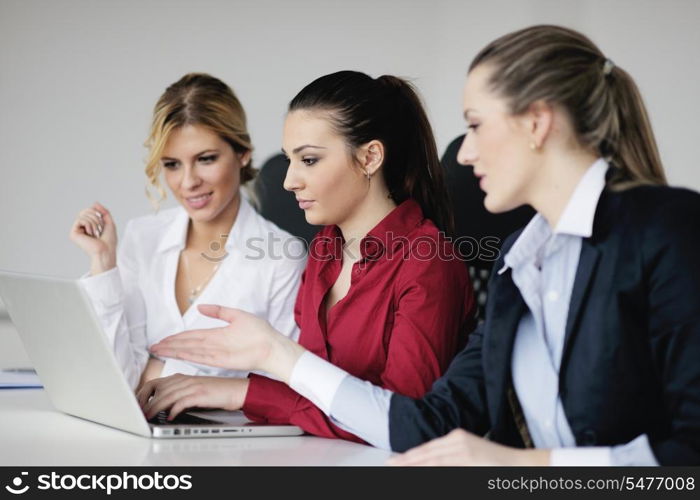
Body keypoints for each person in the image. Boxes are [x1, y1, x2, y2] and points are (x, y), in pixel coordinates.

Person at [143, 26, 700, 465]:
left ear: (536, 123)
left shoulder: (669, 230)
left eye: (477, 125)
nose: (462, 153)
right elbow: (426, 424)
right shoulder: (518, 260)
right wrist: (272, 363)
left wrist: (519, 469)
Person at [137, 70, 476, 443]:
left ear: (369, 157)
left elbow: (401, 425)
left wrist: (247, 387)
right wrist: (223, 390)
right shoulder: (325, 250)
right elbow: (316, 393)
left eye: (309, 160)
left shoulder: (428, 261)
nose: (289, 181)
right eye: (290, 160)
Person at [70, 73, 305, 390]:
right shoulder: (143, 237)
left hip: (239, 438)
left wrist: (154, 370)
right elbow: (117, 379)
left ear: (242, 153)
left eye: (205, 159)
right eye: (172, 164)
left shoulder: (282, 258)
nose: (188, 181)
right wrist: (102, 264)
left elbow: (280, 390)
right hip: (141, 433)